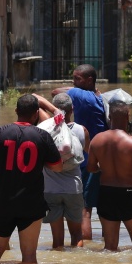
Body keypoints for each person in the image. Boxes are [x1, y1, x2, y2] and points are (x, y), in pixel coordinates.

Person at [0, 94, 63, 264]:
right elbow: (58, 167)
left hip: (3, 202)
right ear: (36, 113)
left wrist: (0, 162)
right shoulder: (43, 136)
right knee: (29, 255)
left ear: (16, 110)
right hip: (31, 203)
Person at [85, 100, 132, 252]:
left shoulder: (97, 140)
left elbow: (91, 168)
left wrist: (104, 168)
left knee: (109, 248)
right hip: (129, 194)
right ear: (129, 117)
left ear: (109, 116)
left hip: (106, 194)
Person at [52, 64, 107, 242]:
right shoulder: (98, 99)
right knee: (104, 209)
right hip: (102, 158)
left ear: (89, 80)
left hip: (87, 160)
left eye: (77, 79)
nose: (73, 82)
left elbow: (56, 92)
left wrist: (72, 89)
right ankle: (108, 242)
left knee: (85, 210)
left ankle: (85, 250)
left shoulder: (78, 95)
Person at [42, 93, 90, 249]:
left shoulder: (45, 130)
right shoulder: (82, 131)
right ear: (72, 109)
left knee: (57, 240)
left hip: (50, 189)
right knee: (77, 235)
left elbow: (35, 98)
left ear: (53, 110)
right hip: (73, 189)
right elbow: (89, 154)